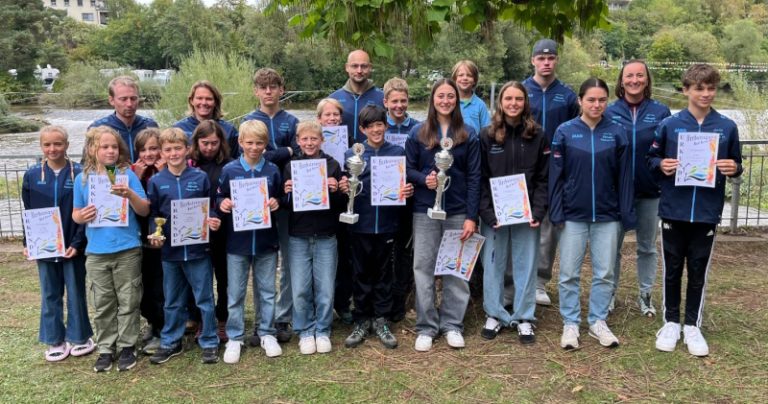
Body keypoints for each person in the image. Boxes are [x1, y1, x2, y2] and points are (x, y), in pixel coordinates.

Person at [648, 64, 742, 357]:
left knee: (699, 269)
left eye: (711, 88)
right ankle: (671, 322)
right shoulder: (670, 125)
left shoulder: (727, 127)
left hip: (706, 211)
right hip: (674, 209)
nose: (706, 94)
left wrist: (734, 167)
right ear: (686, 89)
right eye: (699, 88)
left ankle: (692, 325)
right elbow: (652, 159)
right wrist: (661, 165)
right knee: (672, 268)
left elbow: (737, 166)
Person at [549, 78, 635, 350]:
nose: (596, 105)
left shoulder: (618, 132)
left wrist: (626, 213)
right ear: (580, 100)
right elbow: (556, 176)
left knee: (604, 272)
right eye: (591, 99)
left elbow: (624, 178)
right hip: (573, 215)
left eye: (601, 100)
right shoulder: (565, 131)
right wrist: (557, 211)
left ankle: (598, 321)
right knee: (568, 273)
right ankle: (571, 323)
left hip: (608, 216)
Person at [405, 79, 481, 352]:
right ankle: (426, 326)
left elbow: (475, 177)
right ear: (432, 99)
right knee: (423, 267)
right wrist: (423, 180)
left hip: (458, 211)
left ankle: (452, 324)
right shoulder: (417, 133)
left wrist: (472, 216)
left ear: (456, 100)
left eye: (450, 96)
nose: (446, 100)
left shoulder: (468, 134)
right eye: (441, 96)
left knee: (456, 268)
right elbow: (407, 169)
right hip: (425, 210)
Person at [72, 126, 150, 372]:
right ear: (92, 149)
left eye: (114, 146)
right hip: (96, 251)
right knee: (103, 302)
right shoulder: (83, 179)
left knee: (128, 300)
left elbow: (145, 210)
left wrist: (129, 196)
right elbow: (75, 214)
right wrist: (81, 216)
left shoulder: (127, 175)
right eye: (104, 146)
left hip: (127, 248)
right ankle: (106, 348)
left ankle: (128, 346)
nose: (110, 151)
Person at [478, 82, 549, 344]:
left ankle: (524, 317)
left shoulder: (538, 135)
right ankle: (494, 314)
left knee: (525, 265)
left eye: (519, 99)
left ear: (525, 102)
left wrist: (539, 210)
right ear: (501, 102)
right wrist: (486, 213)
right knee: (494, 264)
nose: (513, 103)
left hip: (527, 214)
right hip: (495, 215)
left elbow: (543, 178)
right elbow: (481, 177)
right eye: (508, 98)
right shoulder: (487, 135)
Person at [340, 105, 415, 350]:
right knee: (361, 272)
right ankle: (361, 318)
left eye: (379, 124)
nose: (376, 130)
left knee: (384, 273)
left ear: (386, 125)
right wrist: (344, 186)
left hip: (387, 223)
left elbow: (404, 184)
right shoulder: (353, 153)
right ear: (362, 129)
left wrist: (407, 190)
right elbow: (346, 184)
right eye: (370, 126)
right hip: (360, 223)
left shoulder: (397, 152)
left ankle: (381, 319)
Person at [145, 128, 222, 365]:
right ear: (162, 152)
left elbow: (209, 207)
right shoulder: (157, 181)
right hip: (171, 253)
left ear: (187, 149)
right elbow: (154, 214)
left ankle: (209, 340)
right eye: (168, 149)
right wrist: (153, 233)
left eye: (178, 148)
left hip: (199, 251)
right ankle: (171, 341)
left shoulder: (199, 178)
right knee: (173, 300)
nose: (173, 153)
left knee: (204, 298)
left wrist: (213, 219)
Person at [22, 125, 94, 362]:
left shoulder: (80, 173)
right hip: (44, 246)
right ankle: (55, 339)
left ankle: (80, 337)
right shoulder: (32, 175)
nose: (52, 149)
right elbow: (29, 211)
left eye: (58, 144)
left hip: (73, 246)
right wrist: (29, 242)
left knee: (75, 291)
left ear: (67, 145)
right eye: (47, 144)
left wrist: (78, 242)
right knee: (50, 292)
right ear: (41, 146)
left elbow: (87, 212)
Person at [606, 60, 671, 316]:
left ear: (647, 79)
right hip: (615, 192)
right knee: (613, 247)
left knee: (647, 246)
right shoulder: (609, 111)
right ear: (621, 81)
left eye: (639, 75)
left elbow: (669, 149)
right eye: (629, 76)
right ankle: (609, 294)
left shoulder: (661, 111)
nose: (634, 80)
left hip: (650, 189)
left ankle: (645, 295)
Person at [217, 120, 283, 362]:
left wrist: (277, 202)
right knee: (235, 293)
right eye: (249, 143)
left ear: (265, 144)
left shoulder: (273, 170)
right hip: (237, 243)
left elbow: (280, 198)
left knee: (266, 290)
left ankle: (266, 332)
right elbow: (220, 198)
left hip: (266, 241)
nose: (254, 147)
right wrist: (222, 204)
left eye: (259, 143)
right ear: (240, 143)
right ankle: (235, 337)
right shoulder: (230, 170)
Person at [242, 68, 299, 344]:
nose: (268, 92)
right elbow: (247, 156)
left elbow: (299, 152)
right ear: (256, 91)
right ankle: (262, 318)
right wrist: (284, 151)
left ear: (281, 90)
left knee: (287, 259)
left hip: (287, 199)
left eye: (273, 87)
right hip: (257, 201)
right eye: (263, 87)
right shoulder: (249, 121)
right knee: (261, 260)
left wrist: (286, 152)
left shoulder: (292, 121)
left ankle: (283, 315)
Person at [523, 39, 580, 306]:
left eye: (551, 58)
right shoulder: (522, 91)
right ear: (533, 60)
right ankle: (518, 279)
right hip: (525, 167)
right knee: (523, 223)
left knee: (547, 226)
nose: (546, 63)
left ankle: (540, 281)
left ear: (556, 60)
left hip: (555, 168)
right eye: (541, 58)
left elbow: (575, 131)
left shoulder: (567, 95)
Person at [282, 121, 344, 355]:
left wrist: (336, 188)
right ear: (298, 141)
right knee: (300, 287)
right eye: (305, 139)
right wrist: (286, 193)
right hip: (298, 236)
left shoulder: (332, 165)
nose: (309, 143)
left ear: (321, 141)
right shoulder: (290, 166)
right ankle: (305, 331)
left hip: (327, 235)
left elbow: (339, 205)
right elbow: (286, 205)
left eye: (314, 139)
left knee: (326, 287)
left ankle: (323, 329)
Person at [188, 120, 234, 343]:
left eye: (214, 143)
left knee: (224, 277)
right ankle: (202, 320)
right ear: (196, 142)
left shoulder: (230, 165)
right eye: (204, 143)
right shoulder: (187, 164)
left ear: (221, 143)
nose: (209, 148)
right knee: (200, 279)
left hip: (223, 229)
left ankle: (223, 318)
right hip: (194, 230)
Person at [382, 78, 420, 322]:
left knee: (405, 250)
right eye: (394, 101)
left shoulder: (417, 128)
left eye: (403, 101)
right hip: (383, 199)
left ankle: (401, 301)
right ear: (385, 102)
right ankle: (384, 300)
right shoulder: (376, 126)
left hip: (409, 197)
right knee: (386, 250)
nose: (399, 105)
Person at [315, 98, 355, 326]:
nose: (332, 118)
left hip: (343, 206)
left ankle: (342, 303)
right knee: (321, 260)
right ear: (319, 119)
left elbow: (356, 173)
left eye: (335, 115)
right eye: (327, 115)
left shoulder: (351, 143)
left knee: (345, 258)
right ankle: (320, 305)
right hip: (318, 212)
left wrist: (346, 182)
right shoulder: (311, 142)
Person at [131, 128, 166, 355]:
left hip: (162, 239)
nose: (149, 154)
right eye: (143, 150)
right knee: (143, 286)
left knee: (160, 287)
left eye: (154, 148)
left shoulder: (168, 171)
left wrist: (163, 173)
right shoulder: (132, 173)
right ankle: (152, 323)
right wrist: (135, 175)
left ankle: (163, 328)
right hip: (138, 238)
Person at [88, 76, 158, 162]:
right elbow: (89, 165)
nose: (129, 104)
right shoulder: (98, 128)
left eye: (133, 98)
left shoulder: (150, 126)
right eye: (123, 99)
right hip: (113, 175)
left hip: (147, 175)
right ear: (111, 100)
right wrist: (129, 175)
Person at [329, 49, 385, 144]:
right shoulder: (332, 99)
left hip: (373, 156)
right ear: (347, 67)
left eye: (364, 66)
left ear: (370, 67)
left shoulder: (382, 98)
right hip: (341, 156)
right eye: (354, 66)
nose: (359, 70)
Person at [173, 80, 240, 159]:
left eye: (208, 99)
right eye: (199, 98)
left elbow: (237, 162)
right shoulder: (179, 129)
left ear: (215, 102)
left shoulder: (229, 130)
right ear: (191, 101)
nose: (204, 103)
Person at [452, 60, 491, 134]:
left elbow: (486, 132)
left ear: (474, 80)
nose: (465, 78)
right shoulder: (450, 103)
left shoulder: (480, 105)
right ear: (455, 79)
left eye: (469, 75)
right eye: (461, 75)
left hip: (474, 145)